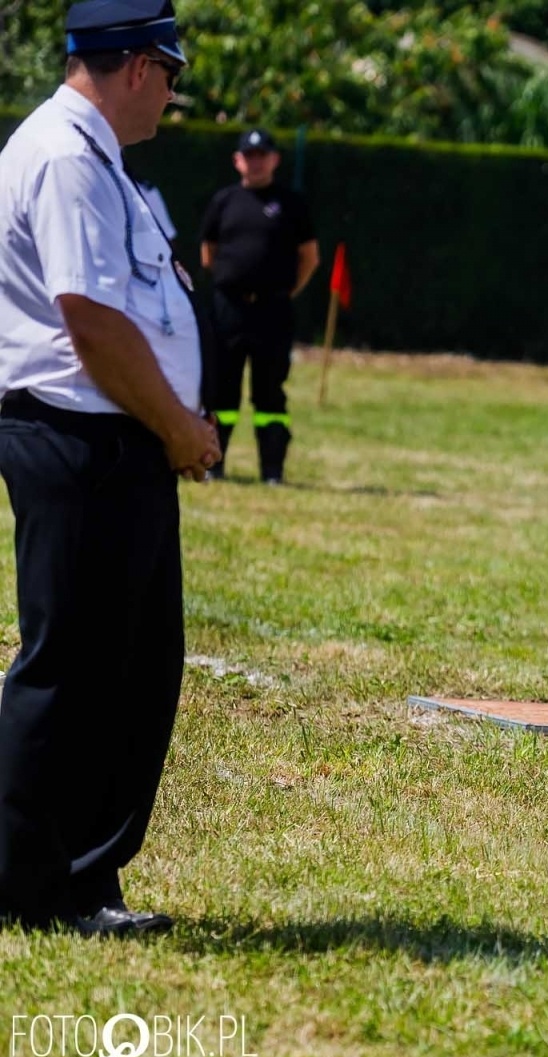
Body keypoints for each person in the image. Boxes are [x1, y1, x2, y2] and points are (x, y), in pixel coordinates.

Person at [0, 0, 219, 935]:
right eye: (169, 75)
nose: (170, 95)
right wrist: (176, 426)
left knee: (129, 667)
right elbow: (88, 319)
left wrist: (173, 419)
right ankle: (36, 888)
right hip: (80, 437)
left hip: (112, 440)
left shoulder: (96, 160)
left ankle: (83, 880)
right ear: (137, 65)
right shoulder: (64, 157)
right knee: (75, 670)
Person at [199, 126, 318, 482]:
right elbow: (208, 253)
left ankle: (272, 470)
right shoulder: (224, 202)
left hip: (273, 310)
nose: (256, 162)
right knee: (222, 387)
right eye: (249, 156)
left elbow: (309, 257)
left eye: (262, 155)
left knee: (270, 392)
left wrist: (286, 290)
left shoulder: (292, 204)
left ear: (275, 160)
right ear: (237, 160)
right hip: (229, 309)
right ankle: (214, 464)